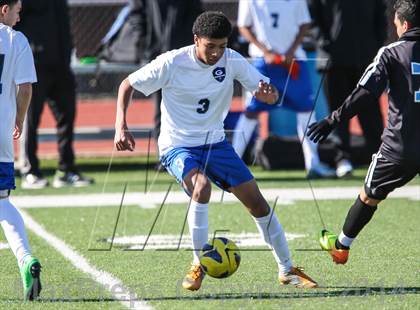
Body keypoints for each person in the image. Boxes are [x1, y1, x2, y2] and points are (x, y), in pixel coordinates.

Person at [114, 11, 318, 290]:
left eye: (221, 46)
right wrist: (120, 126)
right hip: (178, 145)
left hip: (216, 144)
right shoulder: (172, 62)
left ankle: (287, 270)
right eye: (210, 46)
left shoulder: (231, 59)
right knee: (201, 187)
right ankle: (199, 262)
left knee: (257, 203)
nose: (216, 53)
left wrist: (267, 93)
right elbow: (127, 85)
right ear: (196, 40)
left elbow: (262, 88)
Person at [307, 0, 420, 264]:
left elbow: (366, 92)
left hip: (399, 148)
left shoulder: (391, 52)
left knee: (368, 196)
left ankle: (341, 246)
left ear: (404, 24)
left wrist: (333, 120)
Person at [232, 0, 335, 179]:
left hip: (293, 60)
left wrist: (291, 50)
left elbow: (305, 23)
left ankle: (313, 164)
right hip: (263, 62)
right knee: (251, 111)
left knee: (306, 111)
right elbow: (243, 26)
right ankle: (231, 164)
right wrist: (266, 51)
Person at [15, 0, 93, 189]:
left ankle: (67, 169)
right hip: (35, 63)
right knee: (30, 119)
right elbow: (16, 20)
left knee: (67, 115)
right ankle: (30, 170)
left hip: (61, 63)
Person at [311, 0, 387, 177]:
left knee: (371, 111)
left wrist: (376, 47)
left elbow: (380, 14)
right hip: (334, 60)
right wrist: (325, 44)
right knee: (337, 110)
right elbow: (313, 16)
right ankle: (342, 159)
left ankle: (380, 158)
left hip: (366, 57)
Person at [0, 0, 42, 300]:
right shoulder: (17, 40)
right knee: (1, 201)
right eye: (17, 10)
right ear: (4, 9)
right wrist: (18, 118)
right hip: (0, 134)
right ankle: (25, 258)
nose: (19, 15)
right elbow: (25, 88)